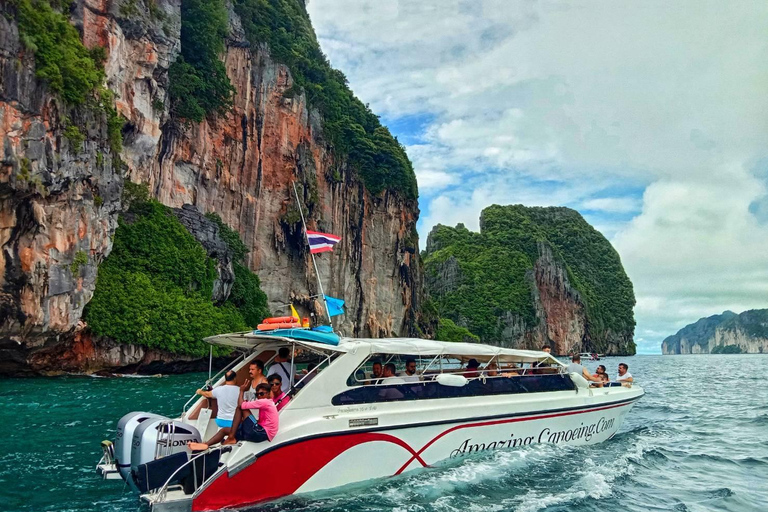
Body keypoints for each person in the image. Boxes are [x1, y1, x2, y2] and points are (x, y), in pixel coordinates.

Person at [188, 371, 239, 449]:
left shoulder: (219, 390)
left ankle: (212, 445)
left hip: (220, 421)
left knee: (221, 428)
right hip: (234, 424)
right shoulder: (240, 391)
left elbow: (207, 394)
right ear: (235, 378)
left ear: (225, 379)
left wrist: (200, 391)